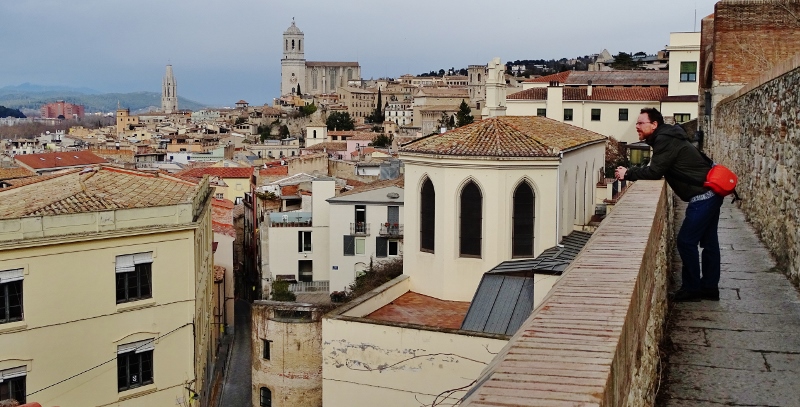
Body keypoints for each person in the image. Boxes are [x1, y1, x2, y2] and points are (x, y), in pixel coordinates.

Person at [615, 108, 722, 302]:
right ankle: (709, 288)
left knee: (686, 241)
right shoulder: (667, 136)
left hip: (703, 195)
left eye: (640, 123)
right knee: (709, 242)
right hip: (711, 192)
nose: (636, 127)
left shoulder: (664, 140)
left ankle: (692, 289)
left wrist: (628, 173)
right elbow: (660, 166)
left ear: (654, 125)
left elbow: (655, 172)